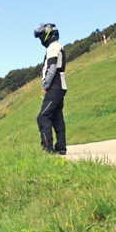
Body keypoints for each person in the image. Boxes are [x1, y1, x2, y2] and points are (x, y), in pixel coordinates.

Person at [34, 23, 67, 154]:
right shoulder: (58, 46)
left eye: (42, 36)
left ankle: (47, 149)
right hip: (61, 85)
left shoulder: (53, 47)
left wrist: (45, 85)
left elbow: (52, 68)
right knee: (57, 117)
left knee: (43, 117)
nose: (41, 39)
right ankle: (61, 147)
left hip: (55, 85)